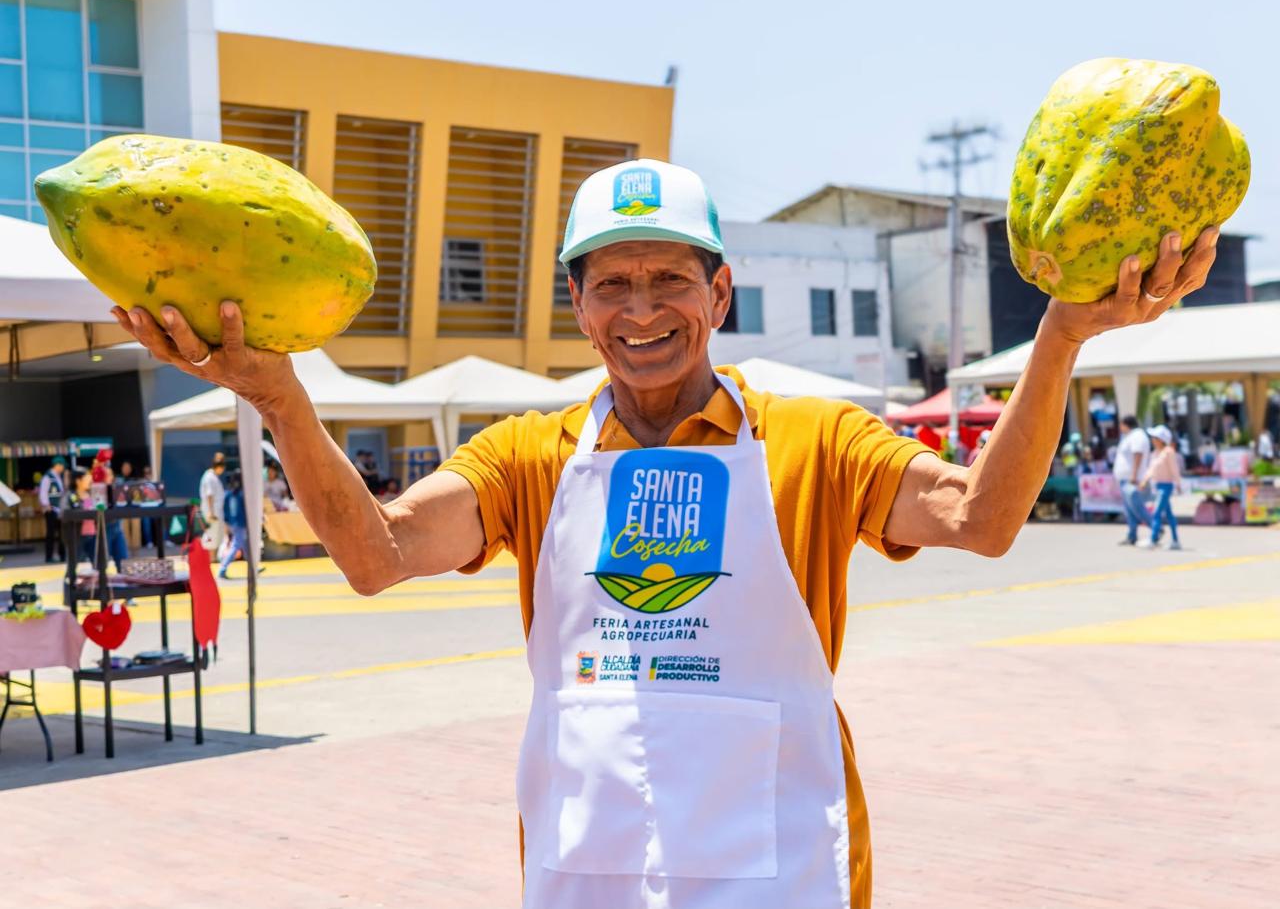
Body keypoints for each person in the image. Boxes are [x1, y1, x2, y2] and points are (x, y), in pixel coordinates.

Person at [115, 156, 1219, 909]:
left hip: (779, 868)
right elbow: (376, 555)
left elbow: (981, 519)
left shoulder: (815, 438)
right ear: (579, 305)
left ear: (719, 292)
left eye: (668, 279)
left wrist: (1061, 335)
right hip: (587, 865)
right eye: (612, 284)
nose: (641, 309)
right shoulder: (528, 454)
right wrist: (279, 395)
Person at [1139, 425, 1182, 550]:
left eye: (1155, 438)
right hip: (1157, 486)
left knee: (1156, 513)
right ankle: (1175, 540)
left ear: (1161, 439)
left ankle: (1153, 539)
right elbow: (1151, 469)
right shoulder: (1155, 453)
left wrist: (1178, 484)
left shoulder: (1168, 452)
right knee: (1169, 514)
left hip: (1166, 486)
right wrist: (1144, 480)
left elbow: (1174, 470)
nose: (1152, 440)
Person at [1113, 414, 1152, 545]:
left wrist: (1134, 475)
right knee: (1129, 510)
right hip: (1125, 479)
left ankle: (1155, 528)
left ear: (1125, 424)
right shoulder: (1130, 436)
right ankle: (1132, 535)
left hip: (1132, 479)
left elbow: (1138, 454)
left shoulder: (1137, 435)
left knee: (1137, 507)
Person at [218, 471, 249, 579]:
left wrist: (226, 522)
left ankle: (253, 566)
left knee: (245, 545)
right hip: (239, 523)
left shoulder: (228, 494)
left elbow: (225, 510)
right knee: (236, 545)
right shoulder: (240, 494)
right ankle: (223, 568)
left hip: (233, 523)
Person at [38, 455, 67, 563]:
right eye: (62, 465)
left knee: (62, 533)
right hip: (51, 509)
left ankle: (62, 555)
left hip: (59, 509)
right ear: (57, 465)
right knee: (50, 534)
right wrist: (46, 505)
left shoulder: (58, 476)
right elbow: (43, 492)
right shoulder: (47, 477)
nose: (63, 468)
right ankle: (49, 557)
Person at [199, 452, 227, 552]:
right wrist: (211, 512)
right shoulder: (209, 477)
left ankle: (213, 557)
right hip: (212, 511)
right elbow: (209, 494)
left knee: (216, 535)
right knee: (211, 535)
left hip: (215, 510)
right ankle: (208, 557)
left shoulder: (213, 476)